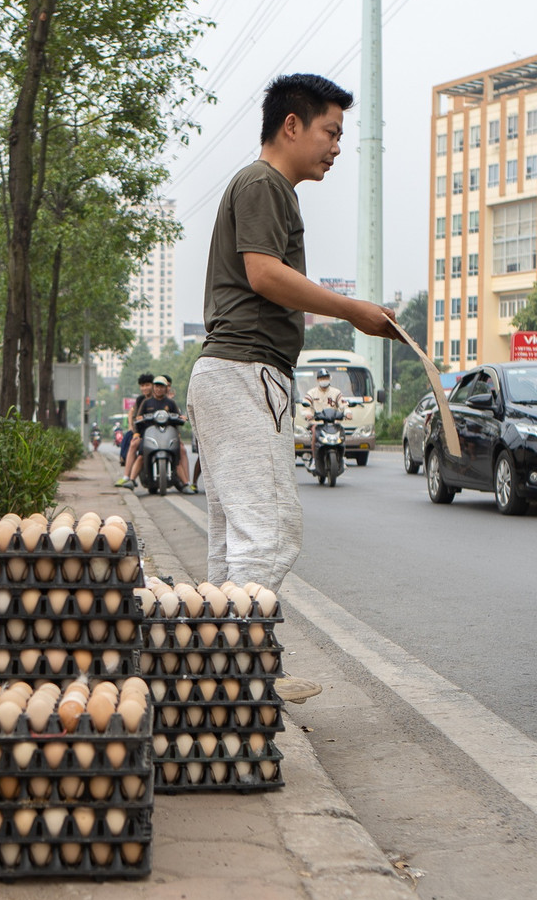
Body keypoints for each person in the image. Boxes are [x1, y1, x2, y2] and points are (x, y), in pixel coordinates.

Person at [184, 72, 397, 592]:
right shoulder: (264, 184)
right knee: (268, 532)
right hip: (246, 372)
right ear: (292, 125)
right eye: (332, 132)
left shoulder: (262, 186)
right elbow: (264, 273)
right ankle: (242, 663)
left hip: (226, 373)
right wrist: (353, 311)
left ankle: (224, 661)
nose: (337, 147)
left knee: (235, 536)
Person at [121, 376, 191, 490]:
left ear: (166, 388)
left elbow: (178, 419)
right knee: (141, 456)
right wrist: (137, 433)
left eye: (162, 386)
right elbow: (137, 420)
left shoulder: (171, 403)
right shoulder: (146, 403)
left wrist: (181, 419)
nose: (159, 389)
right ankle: (131, 479)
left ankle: (186, 483)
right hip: (150, 435)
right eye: (157, 386)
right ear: (154, 388)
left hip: (167, 435)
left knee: (176, 457)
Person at [303, 367, 349, 472]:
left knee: (342, 433)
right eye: (322, 378)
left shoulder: (336, 392)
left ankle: (341, 459)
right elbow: (305, 406)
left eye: (326, 377)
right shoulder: (312, 393)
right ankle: (314, 460)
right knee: (314, 432)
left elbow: (343, 404)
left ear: (329, 378)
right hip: (317, 423)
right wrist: (308, 414)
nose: (324, 379)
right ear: (318, 380)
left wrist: (347, 412)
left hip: (333, 423)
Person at [117, 373, 154, 476]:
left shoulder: (159, 398)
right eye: (142, 386)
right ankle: (126, 476)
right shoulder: (140, 400)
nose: (145, 388)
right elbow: (135, 417)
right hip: (142, 432)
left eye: (147, 385)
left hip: (157, 432)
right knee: (133, 443)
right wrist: (136, 432)